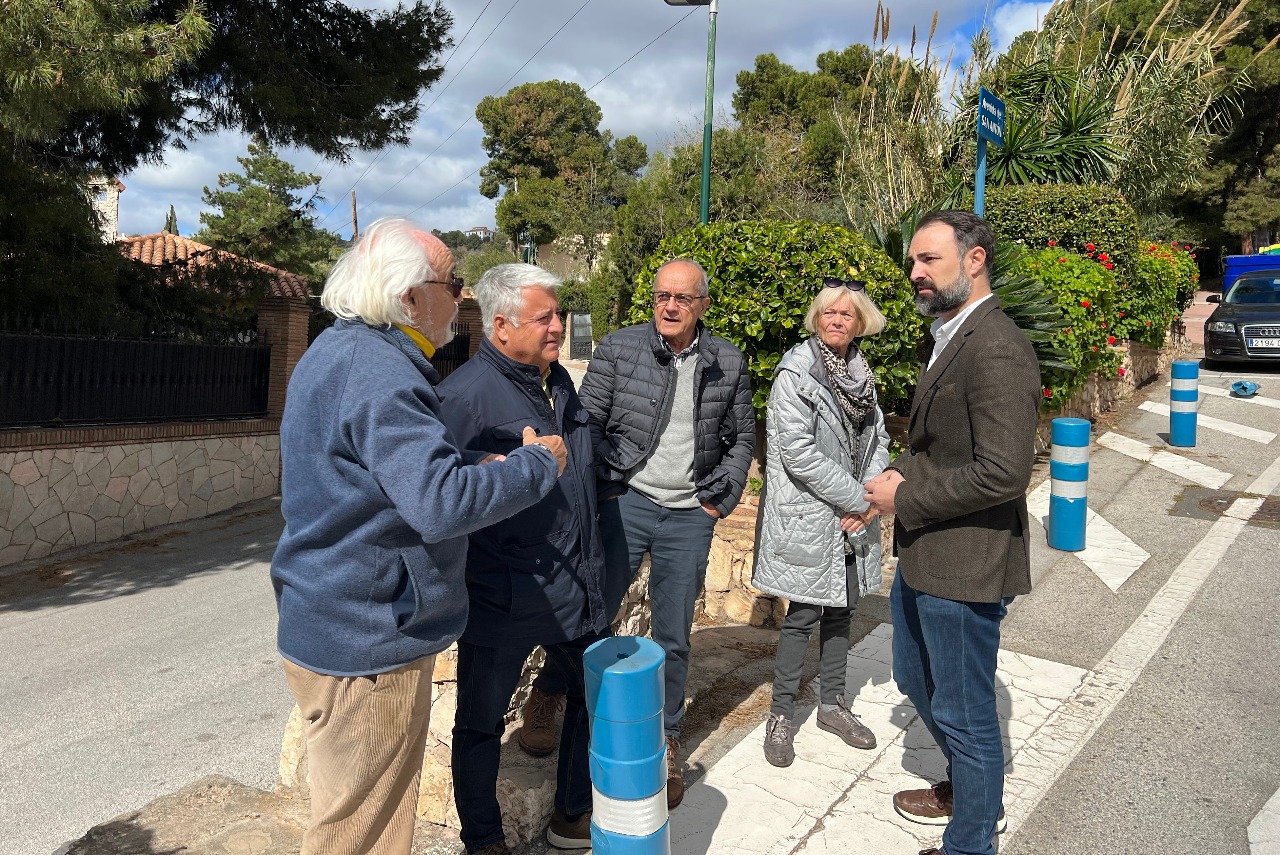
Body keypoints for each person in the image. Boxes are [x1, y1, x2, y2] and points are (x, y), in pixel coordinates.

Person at [271, 220, 568, 855]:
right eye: (451, 282)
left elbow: (387, 483)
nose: (460, 297)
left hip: (339, 621)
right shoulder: (381, 371)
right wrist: (536, 465)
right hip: (372, 640)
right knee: (358, 830)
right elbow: (440, 507)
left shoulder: (336, 352)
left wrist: (470, 472)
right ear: (409, 297)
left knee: (366, 818)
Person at [863, 210, 1040, 855]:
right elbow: (941, 448)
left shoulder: (997, 347)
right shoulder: (950, 333)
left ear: (974, 260)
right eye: (913, 261)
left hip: (966, 564)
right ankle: (970, 790)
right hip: (924, 555)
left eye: (928, 259)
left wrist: (905, 494)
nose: (915, 272)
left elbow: (1002, 473)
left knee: (965, 712)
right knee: (913, 677)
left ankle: (971, 839)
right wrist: (889, 484)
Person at [436, 264, 612, 855]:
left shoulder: (557, 381)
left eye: (558, 314)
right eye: (546, 317)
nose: (558, 326)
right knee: (480, 726)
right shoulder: (462, 398)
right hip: (501, 599)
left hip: (574, 586)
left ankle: (571, 814)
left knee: (596, 689)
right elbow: (442, 497)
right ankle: (484, 842)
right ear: (502, 324)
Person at [576, 257, 754, 809]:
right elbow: (586, 424)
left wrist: (716, 501)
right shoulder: (619, 348)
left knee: (674, 633)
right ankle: (563, 706)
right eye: (661, 297)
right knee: (593, 615)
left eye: (681, 298)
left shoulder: (726, 359)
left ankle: (667, 738)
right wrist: (610, 484)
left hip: (687, 515)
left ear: (702, 304)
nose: (669, 306)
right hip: (628, 502)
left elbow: (742, 436)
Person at [751, 278, 891, 767]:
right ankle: (781, 715)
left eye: (846, 315)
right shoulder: (795, 373)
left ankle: (832, 705)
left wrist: (871, 497)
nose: (836, 320)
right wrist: (857, 497)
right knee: (802, 618)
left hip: (853, 520)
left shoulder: (860, 372)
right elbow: (798, 455)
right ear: (816, 318)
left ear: (860, 324)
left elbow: (878, 439)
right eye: (829, 313)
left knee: (843, 613)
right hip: (812, 515)